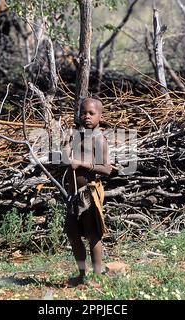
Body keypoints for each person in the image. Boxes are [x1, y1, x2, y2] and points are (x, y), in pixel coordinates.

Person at [61, 97, 112, 286]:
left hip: (89, 194)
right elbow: (67, 161)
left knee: (93, 235)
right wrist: (65, 147)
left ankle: (97, 278)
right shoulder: (77, 136)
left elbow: (107, 169)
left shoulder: (99, 139)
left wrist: (81, 163)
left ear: (100, 115)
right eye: (83, 113)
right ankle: (82, 276)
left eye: (91, 113)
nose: (87, 116)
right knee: (73, 235)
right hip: (74, 195)